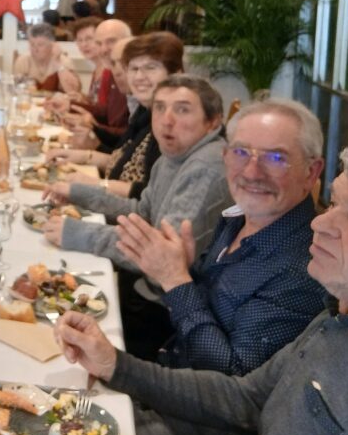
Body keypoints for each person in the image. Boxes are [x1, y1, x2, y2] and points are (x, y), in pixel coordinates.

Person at [56, 139, 348, 435]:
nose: (320, 223)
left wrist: (175, 279)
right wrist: (115, 365)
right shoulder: (338, 315)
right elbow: (246, 398)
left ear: (311, 170)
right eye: (333, 204)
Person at [116, 98, 327, 377]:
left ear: (311, 172)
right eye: (241, 152)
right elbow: (204, 309)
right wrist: (185, 271)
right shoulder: (236, 219)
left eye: (275, 158)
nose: (251, 172)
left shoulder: (304, 270)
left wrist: (175, 279)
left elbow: (232, 378)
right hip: (169, 363)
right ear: (225, 156)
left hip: (188, 398)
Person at [44, 74, 232, 359]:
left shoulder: (206, 167)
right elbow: (141, 213)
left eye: (182, 110)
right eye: (160, 108)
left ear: (213, 122)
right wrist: (79, 193)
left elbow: (157, 252)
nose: (166, 120)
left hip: (165, 314)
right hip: (146, 289)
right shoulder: (172, 157)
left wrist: (78, 234)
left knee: (56, 327)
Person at [48, 32, 183, 199]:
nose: (139, 77)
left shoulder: (173, 125)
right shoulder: (145, 111)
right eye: (134, 68)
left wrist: (95, 184)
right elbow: (123, 161)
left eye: (150, 67)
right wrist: (85, 155)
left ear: (175, 74)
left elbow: (152, 195)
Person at [12, 22, 81, 93]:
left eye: (40, 45)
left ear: (52, 45)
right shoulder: (23, 61)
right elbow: (16, 90)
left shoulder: (63, 61)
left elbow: (73, 91)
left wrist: (58, 64)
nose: (35, 49)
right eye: (32, 44)